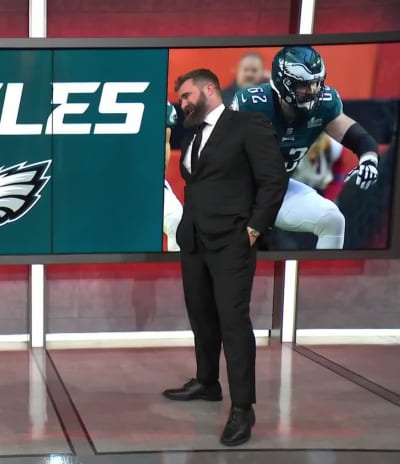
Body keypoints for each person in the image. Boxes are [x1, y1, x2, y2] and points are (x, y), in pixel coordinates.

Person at [163, 69, 287, 447]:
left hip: (233, 242)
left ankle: (243, 408)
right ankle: (207, 382)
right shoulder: (194, 135)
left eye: (186, 96)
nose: (182, 104)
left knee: (234, 322)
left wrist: (254, 229)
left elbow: (273, 180)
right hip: (195, 241)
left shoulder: (247, 125)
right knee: (202, 315)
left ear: (209, 89)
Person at [231, 45, 381, 249]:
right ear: (285, 83)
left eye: (317, 83)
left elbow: (360, 138)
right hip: (234, 193)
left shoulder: (324, 105)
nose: (313, 91)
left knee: (332, 220)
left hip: (277, 190)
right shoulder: (253, 104)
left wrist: (369, 160)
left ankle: (328, 279)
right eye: (304, 85)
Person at [163, 100, 183, 251]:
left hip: (144, 180)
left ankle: (176, 273)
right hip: (99, 177)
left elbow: (165, 141)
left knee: (175, 218)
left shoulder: (160, 103)